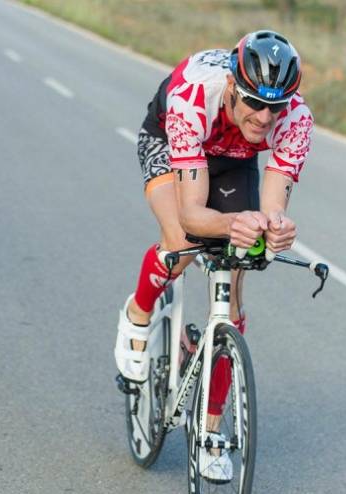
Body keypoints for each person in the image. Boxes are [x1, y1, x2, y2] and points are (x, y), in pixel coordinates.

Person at [115, 30, 313, 482]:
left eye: (276, 107)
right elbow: (192, 215)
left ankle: (210, 430)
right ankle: (138, 313)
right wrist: (232, 224)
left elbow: (273, 206)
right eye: (254, 103)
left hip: (234, 156)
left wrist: (275, 227)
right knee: (182, 242)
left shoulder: (296, 119)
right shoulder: (192, 98)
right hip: (172, 140)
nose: (265, 117)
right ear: (231, 87)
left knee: (239, 265)